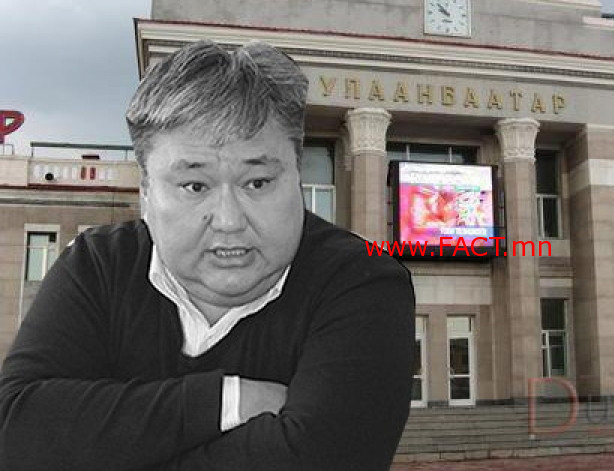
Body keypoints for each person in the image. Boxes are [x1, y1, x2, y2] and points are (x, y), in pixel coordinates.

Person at [0, 40, 415, 470]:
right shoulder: (99, 265)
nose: (229, 220)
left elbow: (323, 459)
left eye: (257, 182)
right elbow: (14, 431)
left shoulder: (363, 283)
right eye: (195, 186)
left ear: (296, 174)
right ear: (146, 193)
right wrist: (224, 401)